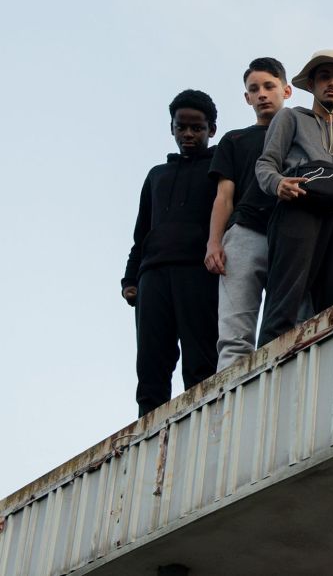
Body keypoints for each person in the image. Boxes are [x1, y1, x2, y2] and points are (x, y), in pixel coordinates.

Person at [254, 49, 333, 347]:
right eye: (325, 77)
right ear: (313, 84)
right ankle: (266, 376)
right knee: (283, 301)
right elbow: (266, 164)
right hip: (298, 209)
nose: (332, 83)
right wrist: (278, 184)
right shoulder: (290, 118)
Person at [122, 89, 220, 417]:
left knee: (200, 358)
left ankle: (202, 424)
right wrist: (130, 277)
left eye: (197, 128)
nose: (189, 134)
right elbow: (141, 233)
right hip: (152, 274)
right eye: (182, 127)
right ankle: (148, 433)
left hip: (198, 272)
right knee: (151, 359)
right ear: (172, 129)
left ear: (212, 130)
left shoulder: (218, 169)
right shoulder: (156, 175)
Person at [205, 58, 291, 371]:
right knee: (235, 335)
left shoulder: (302, 133)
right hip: (244, 234)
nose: (262, 94)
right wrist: (214, 242)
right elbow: (223, 197)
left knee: (292, 327)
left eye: (269, 86)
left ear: (287, 90)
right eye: (254, 89)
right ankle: (228, 415)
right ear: (246, 97)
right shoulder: (235, 139)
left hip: (291, 237)